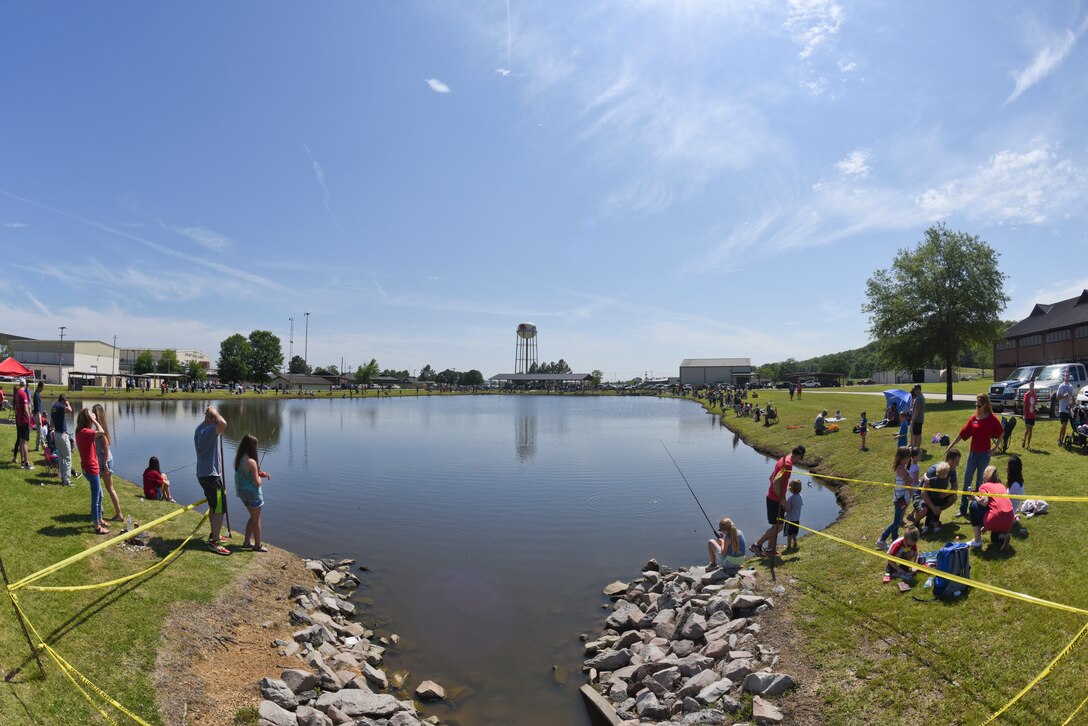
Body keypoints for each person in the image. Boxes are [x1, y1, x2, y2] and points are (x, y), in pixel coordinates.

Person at [948, 395, 1004, 517]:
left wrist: (995, 448)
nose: (977, 407)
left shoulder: (992, 419)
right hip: (973, 454)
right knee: (967, 480)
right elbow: (963, 434)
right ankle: (963, 509)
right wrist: (951, 445)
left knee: (980, 483)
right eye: (976, 405)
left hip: (984, 455)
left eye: (979, 405)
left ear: (985, 405)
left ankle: (977, 507)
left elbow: (1001, 432)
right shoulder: (974, 418)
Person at [752, 445, 805, 556]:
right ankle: (756, 545)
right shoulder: (788, 465)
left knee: (776, 526)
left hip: (773, 497)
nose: (798, 461)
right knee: (779, 527)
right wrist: (783, 501)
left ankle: (770, 549)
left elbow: (771, 477)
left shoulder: (783, 459)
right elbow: (776, 482)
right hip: (775, 499)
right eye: (800, 458)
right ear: (799, 456)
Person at [195, 406, 231, 555]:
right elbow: (223, 424)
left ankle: (214, 534)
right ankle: (214, 541)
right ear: (212, 418)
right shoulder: (210, 430)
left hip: (204, 474)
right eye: (214, 417)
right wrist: (216, 414)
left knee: (213, 505)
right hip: (211, 475)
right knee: (220, 508)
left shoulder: (200, 428)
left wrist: (212, 416)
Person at [75, 408, 110, 534]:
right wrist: (95, 420)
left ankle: (100, 519)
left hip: (86, 467)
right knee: (95, 499)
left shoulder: (79, 431)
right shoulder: (85, 432)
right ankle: (97, 527)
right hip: (91, 468)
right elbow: (102, 431)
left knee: (100, 495)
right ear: (87, 420)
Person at [234, 434, 271, 552]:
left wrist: (259, 473)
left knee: (253, 517)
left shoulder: (239, 459)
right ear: (251, 447)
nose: (257, 449)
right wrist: (260, 478)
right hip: (253, 495)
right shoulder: (252, 462)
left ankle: (246, 542)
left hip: (243, 494)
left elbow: (247, 475)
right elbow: (257, 483)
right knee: (256, 519)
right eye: (255, 446)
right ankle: (257, 545)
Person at [91, 403, 124, 523]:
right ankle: (100, 509)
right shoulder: (99, 430)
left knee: (110, 488)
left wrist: (104, 464)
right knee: (96, 486)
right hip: (101, 462)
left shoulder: (101, 432)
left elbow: (105, 448)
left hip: (105, 462)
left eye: (93, 413)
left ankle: (119, 514)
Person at [969, 465, 1014, 550]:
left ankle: (977, 540)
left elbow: (984, 502)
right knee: (994, 538)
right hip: (1009, 520)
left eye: (984, 474)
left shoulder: (984, 486)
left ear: (986, 475)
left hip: (996, 518)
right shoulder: (1002, 486)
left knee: (974, 506)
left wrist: (974, 497)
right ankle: (1004, 536)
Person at [877, 446, 912, 550]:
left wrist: (909, 479)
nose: (908, 459)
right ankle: (882, 539)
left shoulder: (903, 468)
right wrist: (909, 478)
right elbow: (908, 480)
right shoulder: (900, 469)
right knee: (896, 522)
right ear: (901, 457)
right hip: (899, 499)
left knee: (897, 519)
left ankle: (894, 539)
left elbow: (908, 480)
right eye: (907, 457)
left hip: (903, 498)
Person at [920, 450, 960, 534]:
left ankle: (933, 521)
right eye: (957, 462)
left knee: (953, 496)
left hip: (938, 497)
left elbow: (955, 487)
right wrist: (933, 508)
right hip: (924, 496)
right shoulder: (934, 471)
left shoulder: (952, 471)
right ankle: (918, 521)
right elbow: (923, 492)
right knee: (927, 511)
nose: (958, 464)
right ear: (950, 461)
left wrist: (947, 493)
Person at [50, 393, 77, 486]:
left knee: (61, 458)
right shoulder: (60, 406)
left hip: (56, 434)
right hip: (62, 435)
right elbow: (70, 410)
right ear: (63, 401)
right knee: (68, 458)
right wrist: (68, 403)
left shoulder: (53, 407)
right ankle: (66, 480)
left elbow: (52, 422)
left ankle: (62, 477)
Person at [13, 379, 33, 469]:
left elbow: (16, 409)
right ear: (25, 385)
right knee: (25, 442)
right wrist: (29, 421)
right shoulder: (23, 393)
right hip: (24, 421)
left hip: (19, 420)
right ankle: (26, 462)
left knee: (21, 440)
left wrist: (18, 417)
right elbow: (25, 409)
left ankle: (22, 461)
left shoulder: (17, 394)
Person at [1057, 371, 1076, 446]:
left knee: (1065, 426)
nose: (1067, 377)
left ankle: (1062, 439)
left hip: (1068, 408)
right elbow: (1057, 397)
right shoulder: (1061, 386)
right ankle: (1059, 439)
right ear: (1064, 377)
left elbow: (1072, 396)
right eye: (1066, 376)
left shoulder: (1071, 386)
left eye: (1068, 376)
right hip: (1062, 408)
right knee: (1064, 424)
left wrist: (1074, 403)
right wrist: (1063, 396)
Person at [784, 479, 803, 549]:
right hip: (797, 519)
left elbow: (788, 509)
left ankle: (788, 545)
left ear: (791, 489)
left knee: (789, 534)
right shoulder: (800, 497)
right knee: (794, 533)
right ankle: (795, 543)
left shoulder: (790, 498)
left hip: (790, 519)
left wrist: (784, 506)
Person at [1021, 380, 1037, 449]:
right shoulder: (1026, 395)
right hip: (1027, 415)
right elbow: (1024, 405)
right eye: (1030, 386)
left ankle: (1028, 444)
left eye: (1032, 386)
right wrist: (1024, 414)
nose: (1031, 387)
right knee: (1027, 429)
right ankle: (1024, 439)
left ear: (1033, 387)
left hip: (1032, 415)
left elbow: (1035, 404)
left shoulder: (1034, 395)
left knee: (1031, 430)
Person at [909, 384, 925, 449]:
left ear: (918, 389)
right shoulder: (920, 397)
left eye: (915, 390)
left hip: (917, 419)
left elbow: (917, 409)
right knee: (917, 433)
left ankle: (917, 448)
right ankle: (915, 446)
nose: (914, 391)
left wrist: (913, 419)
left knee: (917, 434)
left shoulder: (919, 398)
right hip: (919, 419)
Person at [32, 381, 44, 451]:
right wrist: (39, 418)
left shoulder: (37, 393)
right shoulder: (37, 395)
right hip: (37, 414)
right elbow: (37, 408)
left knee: (40, 431)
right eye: (43, 387)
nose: (43, 388)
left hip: (37, 414)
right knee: (39, 432)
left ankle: (44, 445)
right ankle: (37, 447)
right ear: (40, 387)